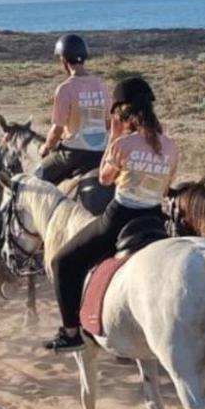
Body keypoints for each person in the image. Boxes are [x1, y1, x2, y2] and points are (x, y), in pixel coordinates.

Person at [44, 76, 179, 352]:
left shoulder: (123, 145)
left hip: (119, 218)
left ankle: (71, 332)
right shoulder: (172, 147)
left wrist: (114, 138)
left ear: (123, 115)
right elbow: (165, 189)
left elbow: (105, 179)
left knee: (63, 262)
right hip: (155, 219)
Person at [38, 34, 110, 184]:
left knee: (36, 178)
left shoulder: (65, 89)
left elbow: (57, 129)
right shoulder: (100, 85)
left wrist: (46, 147)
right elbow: (108, 122)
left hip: (73, 153)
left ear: (63, 60)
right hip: (100, 152)